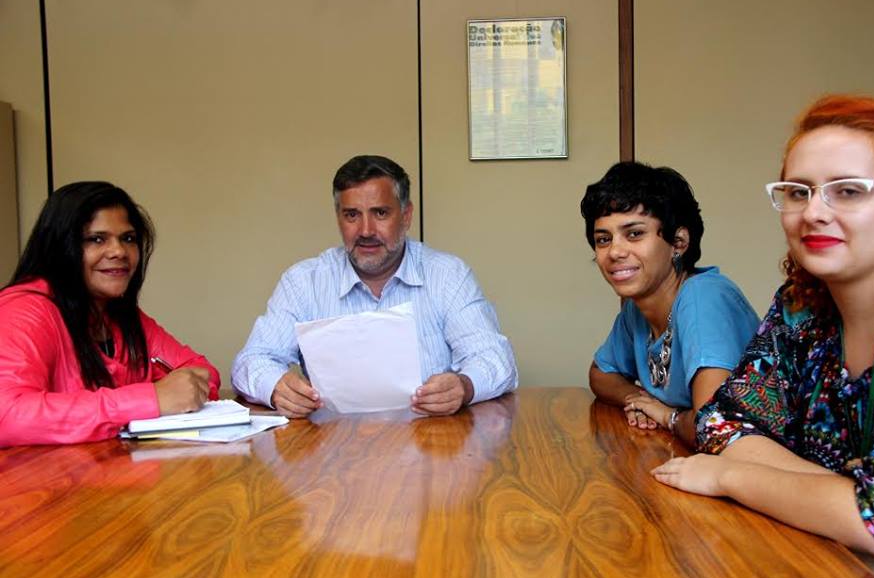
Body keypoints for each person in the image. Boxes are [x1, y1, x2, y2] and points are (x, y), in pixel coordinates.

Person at [652, 95, 874, 578]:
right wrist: (850, 508)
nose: (814, 212)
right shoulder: (801, 310)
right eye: (798, 192)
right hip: (838, 570)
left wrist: (734, 477)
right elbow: (723, 423)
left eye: (848, 191)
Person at [232, 154, 517, 418]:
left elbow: (495, 359)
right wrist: (275, 387)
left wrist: (464, 387)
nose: (366, 231)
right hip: (333, 452)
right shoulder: (304, 282)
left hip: (433, 446)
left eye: (380, 213)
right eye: (352, 215)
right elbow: (252, 361)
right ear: (338, 218)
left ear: (406, 216)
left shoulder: (447, 276)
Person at [0, 181, 220, 446]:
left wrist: (175, 393)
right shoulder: (24, 310)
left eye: (128, 238)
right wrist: (149, 400)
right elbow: (8, 415)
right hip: (41, 483)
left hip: (114, 475)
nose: (118, 252)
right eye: (96, 239)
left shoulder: (118, 313)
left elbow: (201, 372)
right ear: (60, 247)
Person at [581, 162, 759, 446]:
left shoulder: (703, 298)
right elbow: (600, 375)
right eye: (603, 239)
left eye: (634, 234)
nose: (614, 251)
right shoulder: (636, 309)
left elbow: (713, 428)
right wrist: (638, 399)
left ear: (679, 242)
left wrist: (667, 417)